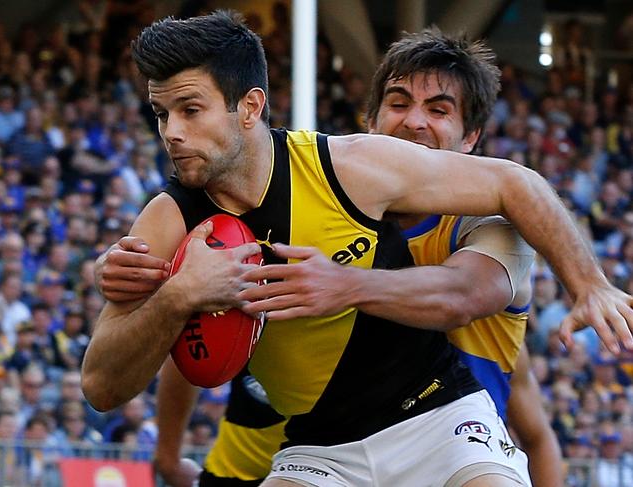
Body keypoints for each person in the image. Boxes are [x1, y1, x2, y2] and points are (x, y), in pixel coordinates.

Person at [82, 11, 633, 487]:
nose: (172, 132)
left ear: (249, 107)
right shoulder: (168, 219)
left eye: (190, 110)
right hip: (319, 448)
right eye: (161, 114)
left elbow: (504, 209)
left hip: (438, 420)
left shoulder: (347, 167)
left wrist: (590, 285)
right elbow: (101, 388)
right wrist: (177, 297)